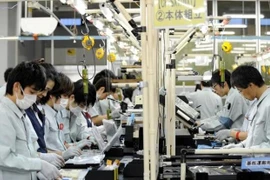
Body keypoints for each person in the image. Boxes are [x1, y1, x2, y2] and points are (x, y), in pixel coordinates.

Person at [0, 61, 61, 180]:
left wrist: (42, 160)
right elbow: (4, 158)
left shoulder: (22, 113)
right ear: (17, 87)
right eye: (32, 92)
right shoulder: (3, 114)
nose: (33, 98)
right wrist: (39, 165)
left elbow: (29, 151)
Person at [223, 65, 270, 149]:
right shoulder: (257, 103)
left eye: (240, 91)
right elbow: (254, 137)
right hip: (253, 158)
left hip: (263, 161)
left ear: (251, 85)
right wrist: (241, 145)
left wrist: (248, 150)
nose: (241, 95)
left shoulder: (268, 105)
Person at [41, 73, 84, 160]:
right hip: (51, 162)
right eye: (64, 96)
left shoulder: (57, 113)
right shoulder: (43, 116)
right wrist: (62, 154)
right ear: (52, 94)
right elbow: (42, 149)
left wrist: (71, 146)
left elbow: (60, 142)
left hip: (60, 161)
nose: (66, 100)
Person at [25, 62, 57, 153]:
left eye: (48, 91)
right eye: (45, 89)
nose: (45, 94)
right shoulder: (24, 107)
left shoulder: (36, 110)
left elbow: (40, 145)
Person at [62, 79, 96, 143]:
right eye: (82, 105)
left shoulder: (76, 113)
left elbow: (80, 132)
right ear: (72, 97)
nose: (82, 109)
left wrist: (88, 137)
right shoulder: (59, 113)